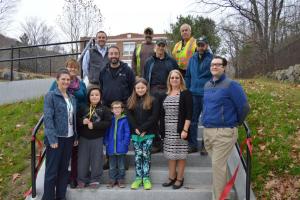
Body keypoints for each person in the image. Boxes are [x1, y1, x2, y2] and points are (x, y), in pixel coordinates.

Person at [202, 56, 250, 199]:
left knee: (218, 167)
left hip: (224, 132)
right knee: (219, 167)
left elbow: (244, 107)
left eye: (218, 65)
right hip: (208, 131)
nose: (214, 67)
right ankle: (224, 195)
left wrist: (235, 122)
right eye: (212, 65)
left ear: (224, 67)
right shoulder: (207, 85)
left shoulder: (231, 85)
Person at [49, 58, 87, 188]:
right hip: (62, 124)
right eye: (70, 67)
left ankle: (73, 177)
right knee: (60, 156)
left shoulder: (81, 84)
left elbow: (86, 100)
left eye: (75, 68)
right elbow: (50, 100)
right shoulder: (58, 83)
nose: (72, 70)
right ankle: (59, 180)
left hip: (77, 121)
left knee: (75, 152)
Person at [43, 69, 78, 200]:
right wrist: (52, 139)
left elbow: (73, 119)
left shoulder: (72, 98)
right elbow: (48, 119)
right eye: (63, 79)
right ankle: (48, 197)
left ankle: (61, 196)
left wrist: (75, 136)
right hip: (56, 139)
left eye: (68, 79)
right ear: (57, 80)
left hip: (69, 139)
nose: (66, 81)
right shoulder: (50, 96)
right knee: (52, 172)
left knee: (64, 170)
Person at [143, 39, 178, 153]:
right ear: (155, 47)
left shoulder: (171, 61)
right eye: (159, 45)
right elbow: (144, 77)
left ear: (165, 48)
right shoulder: (149, 61)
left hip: (167, 91)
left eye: (163, 46)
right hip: (152, 92)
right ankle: (156, 143)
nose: (161, 48)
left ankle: (167, 142)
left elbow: (177, 76)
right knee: (153, 117)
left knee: (166, 118)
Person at [161, 69, 193, 190]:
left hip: (180, 129)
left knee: (180, 155)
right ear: (169, 80)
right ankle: (171, 177)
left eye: (177, 77)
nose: (174, 79)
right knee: (170, 155)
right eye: (172, 78)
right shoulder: (166, 94)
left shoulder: (186, 93)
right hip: (168, 130)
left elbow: (189, 114)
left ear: (181, 79)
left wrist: (185, 130)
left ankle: (179, 178)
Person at [127, 78, 160, 190]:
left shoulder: (153, 100)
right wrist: (136, 128)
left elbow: (154, 117)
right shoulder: (130, 100)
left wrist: (143, 129)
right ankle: (138, 178)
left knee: (146, 155)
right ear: (134, 89)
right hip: (136, 133)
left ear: (147, 88)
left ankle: (146, 178)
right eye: (138, 88)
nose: (140, 89)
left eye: (142, 87)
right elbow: (129, 116)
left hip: (148, 133)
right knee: (138, 156)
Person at [76, 86, 112, 189]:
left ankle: (95, 180)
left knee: (97, 159)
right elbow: (77, 120)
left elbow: (108, 123)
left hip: (97, 138)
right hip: (84, 138)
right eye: (92, 95)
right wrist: (82, 122)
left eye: (97, 95)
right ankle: (82, 179)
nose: (94, 96)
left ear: (100, 97)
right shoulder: (83, 107)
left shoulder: (104, 109)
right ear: (88, 96)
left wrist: (95, 125)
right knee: (83, 160)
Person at [185, 36, 213, 154]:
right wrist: (188, 89)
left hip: (207, 94)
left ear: (206, 46)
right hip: (193, 93)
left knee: (207, 120)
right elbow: (188, 76)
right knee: (193, 120)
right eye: (199, 45)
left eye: (203, 45)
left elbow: (215, 76)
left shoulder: (212, 59)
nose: (200, 47)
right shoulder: (192, 59)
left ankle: (205, 145)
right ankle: (193, 144)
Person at [104, 101, 131, 188]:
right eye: (115, 108)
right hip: (111, 146)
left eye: (118, 107)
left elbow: (127, 132)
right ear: (111, 110)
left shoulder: (125, 120)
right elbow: (106, 132)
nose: (117, 109)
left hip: (121, 147)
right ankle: (112, 180)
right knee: (112, 165)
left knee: (121, 165)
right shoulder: (110, 120)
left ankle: (120, 180)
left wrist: (125, 143)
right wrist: (106, 142)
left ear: (122, 109)